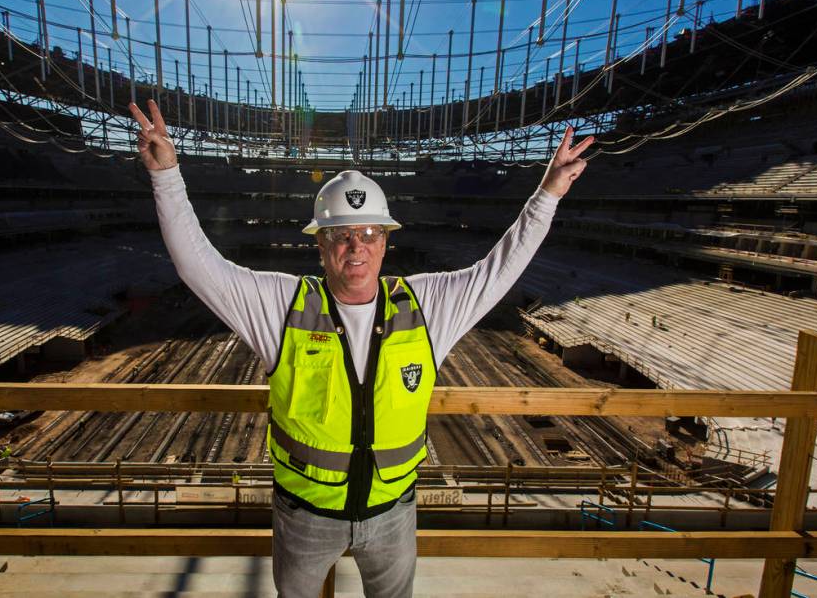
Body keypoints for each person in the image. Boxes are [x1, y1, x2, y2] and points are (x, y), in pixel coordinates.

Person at [128, 99, 591, 598]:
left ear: (386, 242)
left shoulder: (427, 307)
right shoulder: (282, 307)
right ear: (321, 243)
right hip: (304, 517)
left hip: (394, 516)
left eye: (369, 233)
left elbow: (498, 270)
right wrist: (166, 176)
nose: (357, 246)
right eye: (342, 235)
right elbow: (200, 267)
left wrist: (549, 192)